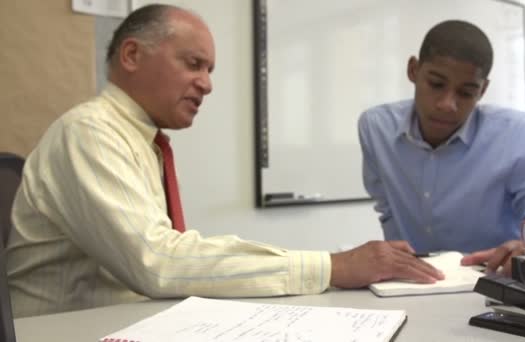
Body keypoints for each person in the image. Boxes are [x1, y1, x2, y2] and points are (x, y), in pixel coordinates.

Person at [6, 4, 444, 318]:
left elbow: (167, 255)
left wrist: (327, 265)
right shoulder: (90, 132)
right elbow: (157, 262)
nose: (207, 85)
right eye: (194, 64)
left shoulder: (140, 140)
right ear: (132, 55)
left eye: (210, 69)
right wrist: (332, 266)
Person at [358, 20, 525, 276]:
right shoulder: (376, 127)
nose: (448, 104)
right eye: (436, 84)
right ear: (413, 70)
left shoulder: (518, 134)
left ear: (483, 90)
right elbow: (388, 208)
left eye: (466, 93)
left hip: (497, 283)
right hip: (412, 284)